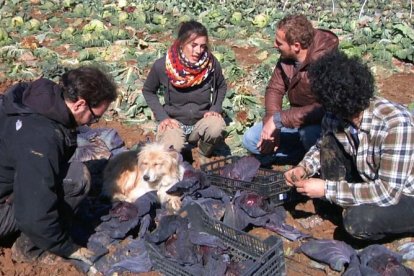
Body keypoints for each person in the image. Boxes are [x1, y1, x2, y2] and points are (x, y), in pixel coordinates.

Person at [285, 51, 414, 240]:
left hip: (404, 193)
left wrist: (327, 189)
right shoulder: (336, 113)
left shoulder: (395, 125)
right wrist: (303, 167)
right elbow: (322, 147)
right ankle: (336, 208)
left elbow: (387, 192)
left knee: (358, 221)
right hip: (371, 180)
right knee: (330, 142)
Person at [0, 67, 117, 264]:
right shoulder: (42, 136)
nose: (93, 123)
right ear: (80, 104)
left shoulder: (29, 99)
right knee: (77, 178)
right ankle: (30, 249)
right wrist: (64, 246)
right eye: (95, 117)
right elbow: (33, 213)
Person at [243, 14, 338, 165]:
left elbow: (326, 107)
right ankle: (299, 157)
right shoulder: (287, 60)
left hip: (323, 126)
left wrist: (279, 120)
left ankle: (319, 164)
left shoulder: (327, 62)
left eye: (279, 43)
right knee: (250, 139)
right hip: (295, 121)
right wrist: (272, 123)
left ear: (296, 46)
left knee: (309, 134)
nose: (275, 45)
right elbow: (275, 89)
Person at [143, 20, 227, 157]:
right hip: (174, 123)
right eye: (193, 45)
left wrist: (215, 109)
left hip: (200, 123)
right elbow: (148, 91)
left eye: (202, 46)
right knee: (171, 151)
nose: (198, 51)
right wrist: (163, 117)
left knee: (216, 126)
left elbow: (221, 86)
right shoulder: (163, 66)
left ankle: (203, 151)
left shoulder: (211, 64)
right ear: (182, 43)